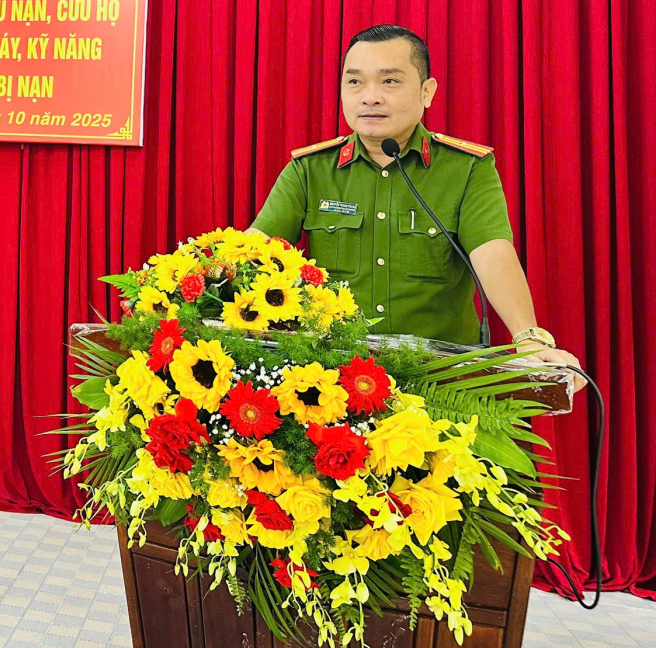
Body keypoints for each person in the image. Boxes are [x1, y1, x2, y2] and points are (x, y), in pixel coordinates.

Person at [250, 24, 583, 388]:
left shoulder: (465, 169)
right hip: (334, 381)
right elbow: (254, 249)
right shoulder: (310, 170)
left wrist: (528, 337)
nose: (370, 97)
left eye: (389, 81)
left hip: (442, 381)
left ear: (427, 92)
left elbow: (492, 252)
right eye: (355, 81)